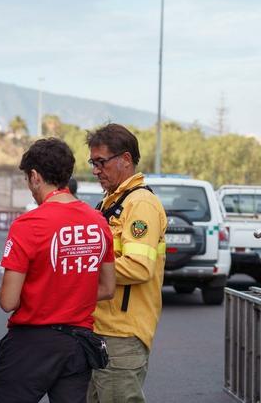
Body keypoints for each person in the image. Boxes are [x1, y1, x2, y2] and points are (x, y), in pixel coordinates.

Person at [0, 138, 116, 403]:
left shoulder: (28, 224)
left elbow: (8, 300)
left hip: (30, 346)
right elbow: (107, 288)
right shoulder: (99, 222)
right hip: (78, 344)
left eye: (28, 179)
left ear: (35, 176)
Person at [86, 124, 167, 403]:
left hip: (122, 334)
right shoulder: (110, 202)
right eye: (92, 162)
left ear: (126, 159)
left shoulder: (141, 204)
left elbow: (139, 267)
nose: (96, 169)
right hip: (102, 328)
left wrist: (85, 269)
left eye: (101, 162)